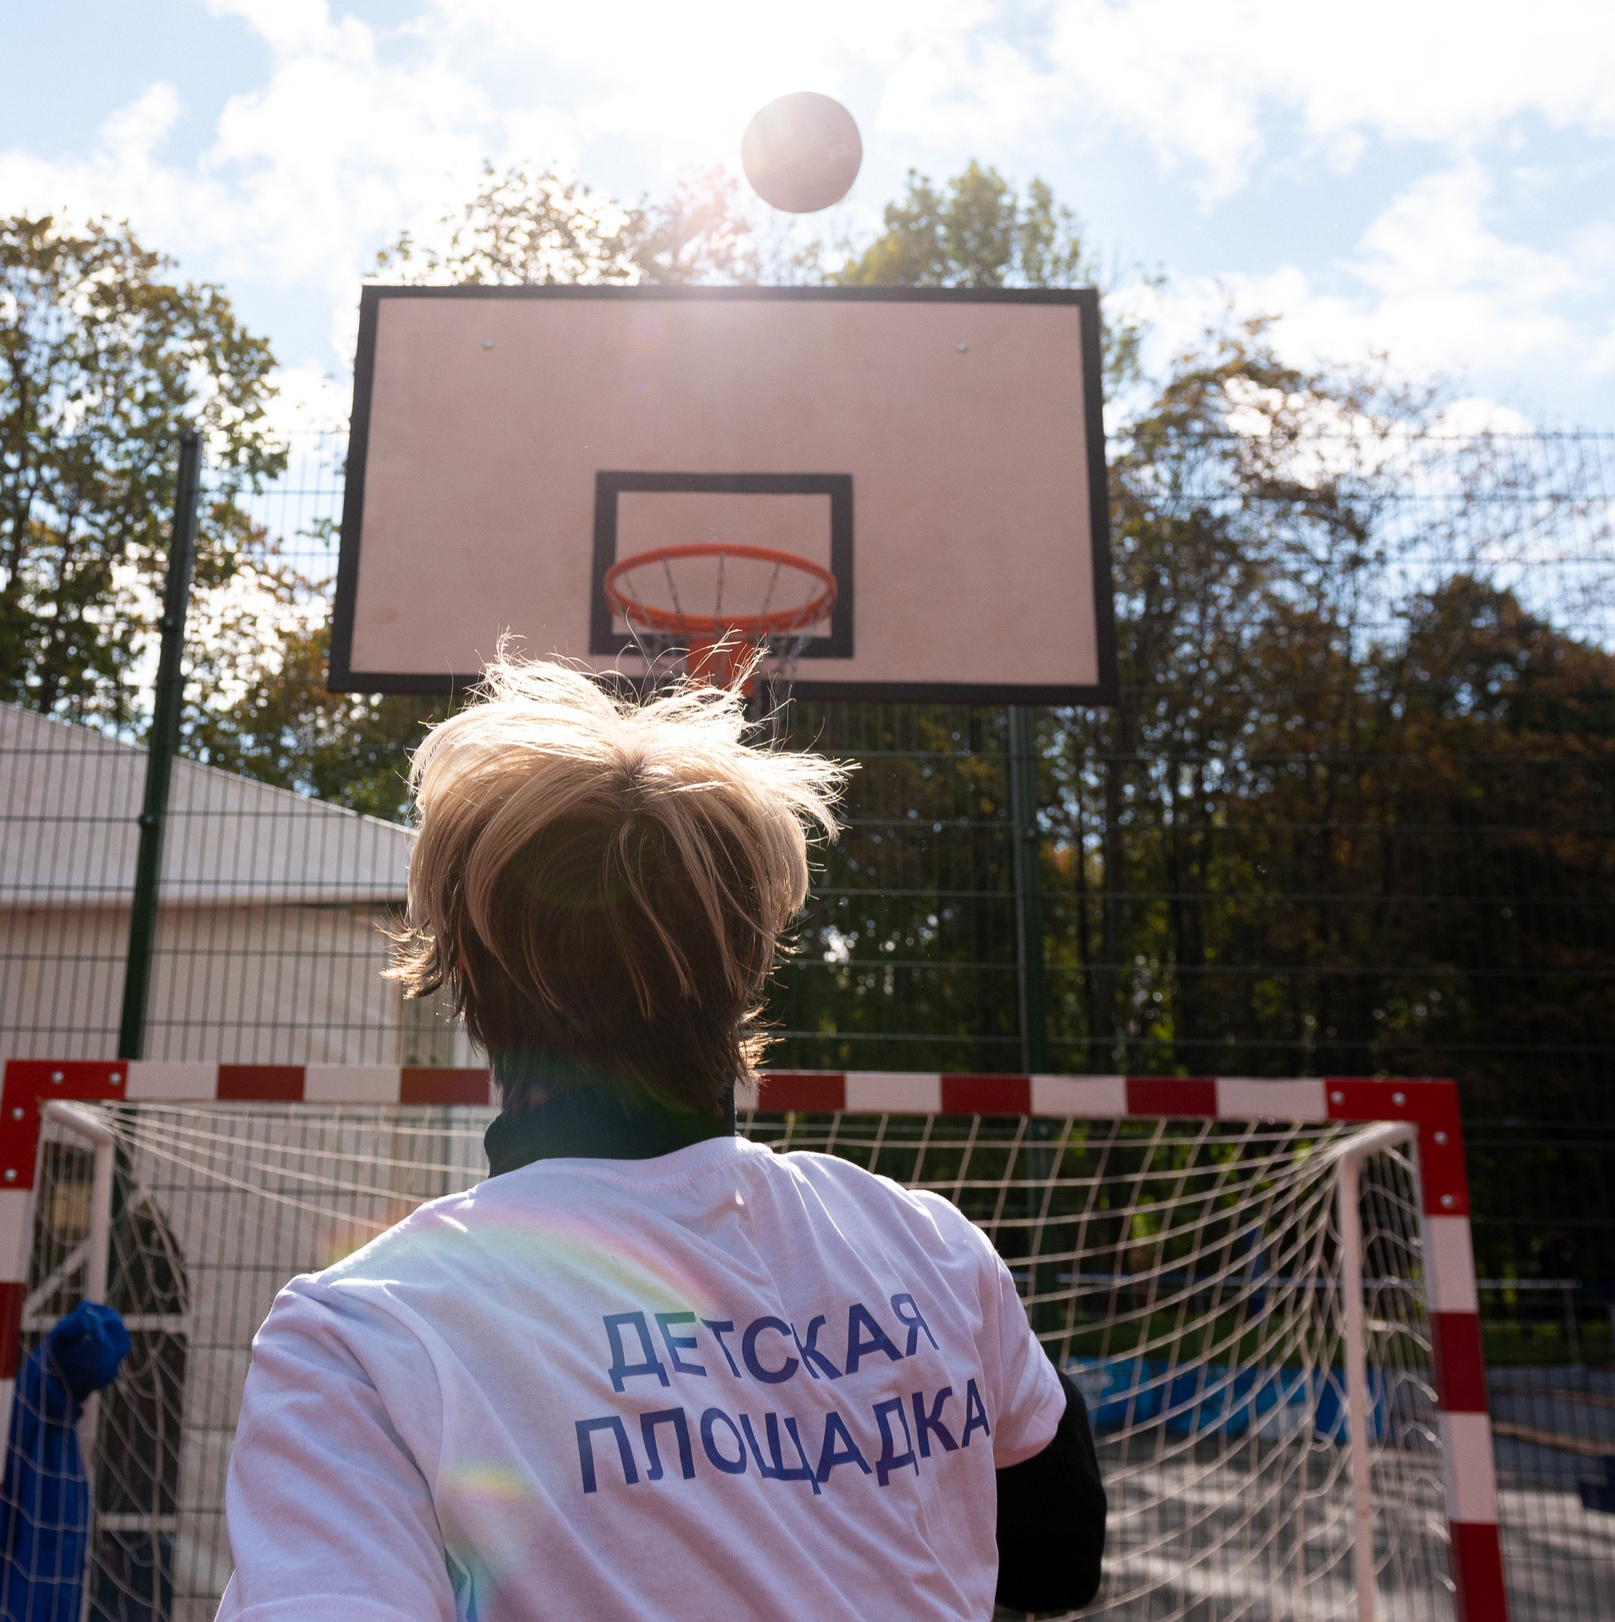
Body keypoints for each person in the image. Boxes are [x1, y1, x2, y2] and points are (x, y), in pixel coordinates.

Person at [213, 660, 1107, 1621]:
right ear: (750, 963)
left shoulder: (363, 1331)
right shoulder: (926, 1245)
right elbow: (1059, 1559)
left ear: (465, 976)